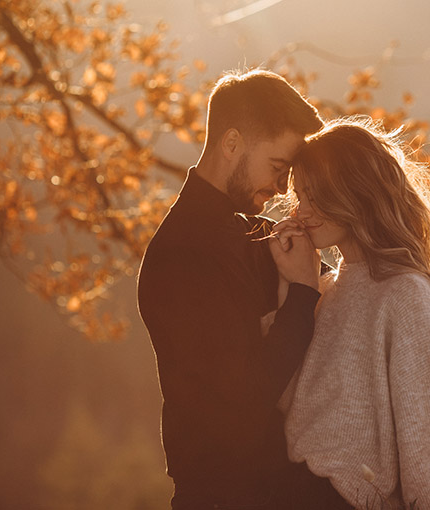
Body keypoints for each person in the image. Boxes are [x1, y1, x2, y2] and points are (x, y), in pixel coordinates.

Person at [137, 68, 341, 509]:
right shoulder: (182, 255)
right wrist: (303, 294)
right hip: (221, 495)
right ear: (231, 144)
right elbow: (244, 396)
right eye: (277, 167)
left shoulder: (257, 235)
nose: (282, 187)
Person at [273, 118, 430, 510]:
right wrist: (292, 286)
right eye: (300, 195)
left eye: (316, 196)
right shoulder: (325, 290)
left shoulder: (406, 295)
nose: (301, 211)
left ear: (355, 192)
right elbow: (284, 408)